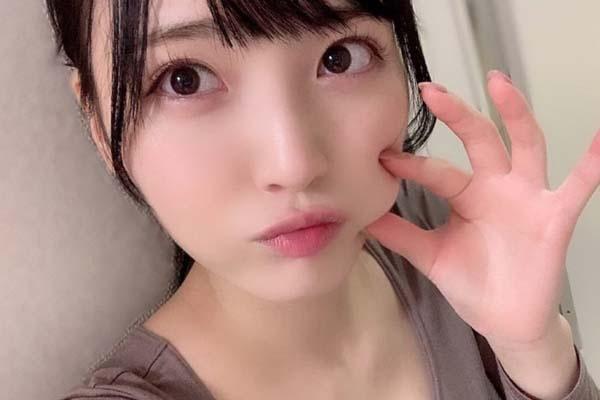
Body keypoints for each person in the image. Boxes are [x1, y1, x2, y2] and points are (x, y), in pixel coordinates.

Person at [46, 0, 600, 399]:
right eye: (184, 79)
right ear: (100, 126)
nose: (294, 165)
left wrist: (537, 355)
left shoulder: (445, 237)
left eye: (341, 57)